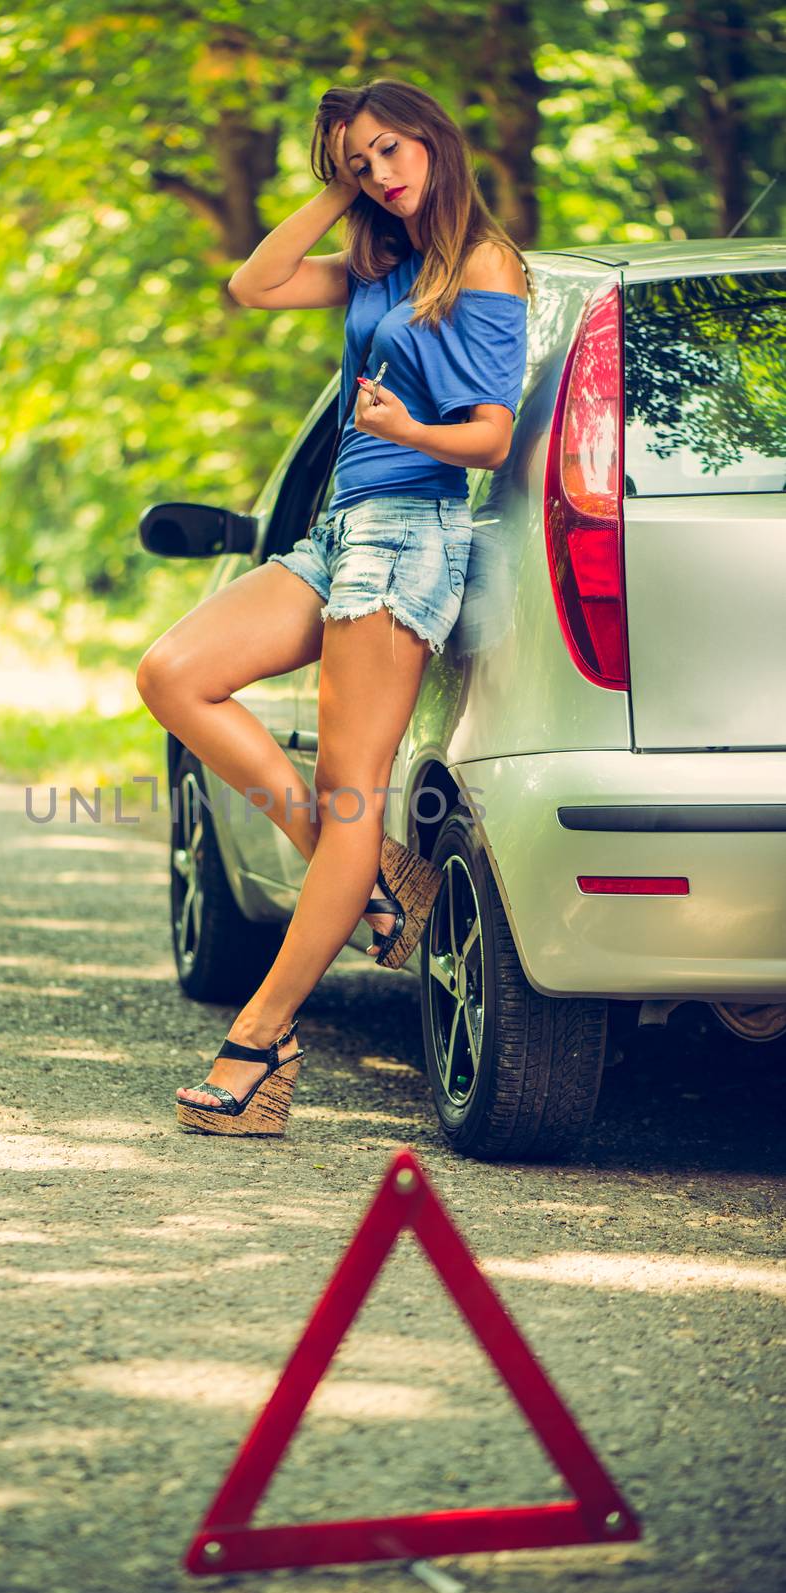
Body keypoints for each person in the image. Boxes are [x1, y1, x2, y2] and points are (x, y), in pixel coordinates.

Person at [135, 77, 530, 1137]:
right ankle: (362, 876)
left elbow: (491, 438)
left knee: (352, 791)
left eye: (393, 151)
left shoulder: (484, 267)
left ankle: (260, 1045)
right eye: (363, 162)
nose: (383, 175)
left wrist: (406, 430)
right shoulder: (374, 259)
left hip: (410, 535)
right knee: (172, 673)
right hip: (338, 536)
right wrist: (328, 192)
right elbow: (250, 286)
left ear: (436, 141)